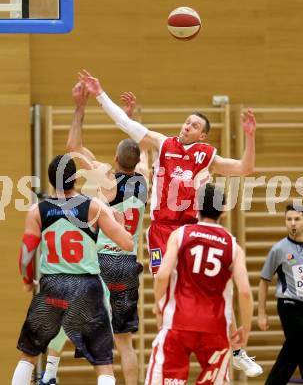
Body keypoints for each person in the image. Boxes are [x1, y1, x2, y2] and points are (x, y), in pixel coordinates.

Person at [78, 70, 262, 377]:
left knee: (215, 288)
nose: (186, 126)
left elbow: (245, 168)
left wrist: (250, 136)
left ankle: (237, 349)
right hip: (162, 232)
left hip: (192, 232)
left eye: (193, 126)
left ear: (203, 135)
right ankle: (167, 342)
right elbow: (126, 125)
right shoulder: (163, 144)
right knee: (164, 288)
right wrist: (100, 94)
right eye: (187, 122)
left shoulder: (206, 156)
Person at [39, 83, 148, 385]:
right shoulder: (146, 180)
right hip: (127, 263)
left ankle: (49, 374)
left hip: (101, 262)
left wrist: (80, 108)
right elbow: (136, 150)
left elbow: (73, 147)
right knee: (125, 343)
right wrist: (130, 120)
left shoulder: (106, 177)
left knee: (67, 316)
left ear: (115, 158)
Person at [12, 154, 133, 385]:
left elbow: (26, 255)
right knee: (103, 364)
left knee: (28, 355)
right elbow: (126, 243)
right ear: (76, 178)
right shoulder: (93, 207)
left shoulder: (38, 211)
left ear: (50, 181)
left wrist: (28, 280)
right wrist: (120, 224)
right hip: (87, 287)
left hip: (53, 285)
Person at [145, 183, 254, 384]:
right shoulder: (233, 245)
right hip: (216, 328)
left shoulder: (180, 235)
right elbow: (245, 292)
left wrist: (158, 305)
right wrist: (245, 329)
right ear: (223, 209)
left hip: (178, 324)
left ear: (196, 205)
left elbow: (161, 276)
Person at [258, 204, 303, 385]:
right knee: (299, 342)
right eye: (289, 219)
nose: (293, 223)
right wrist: (261, 313)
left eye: (297, 219)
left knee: (293, 350)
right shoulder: (279, 249)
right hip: (289, 306)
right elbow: (264, 280)